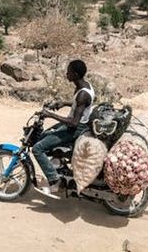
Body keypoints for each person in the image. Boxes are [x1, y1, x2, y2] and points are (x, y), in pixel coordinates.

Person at [32, 59, 95, 198]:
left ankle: (55, 181)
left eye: (69, 71)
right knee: (44, 136)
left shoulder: (83, 94)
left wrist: (50, 114)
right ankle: (57, 163)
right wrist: (63, 103)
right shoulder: (84, 85)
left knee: (37, 148)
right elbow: (79, 105)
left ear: (76, 74)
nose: (66, 73)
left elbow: (73, 122)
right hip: (77, 125)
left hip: (75, 129)